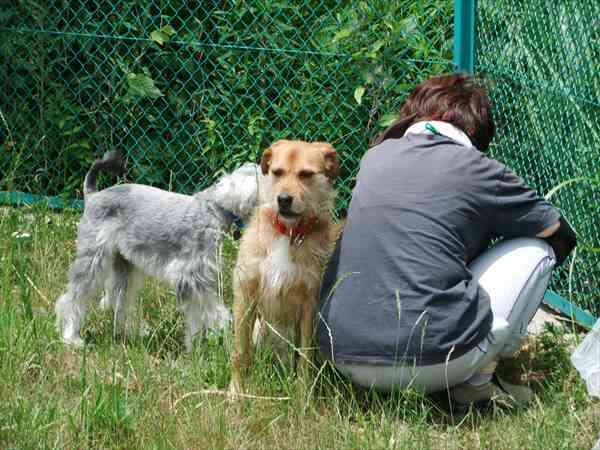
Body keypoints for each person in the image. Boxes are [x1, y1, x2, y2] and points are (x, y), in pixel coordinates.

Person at [316, 73, 577, 409]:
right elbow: (559, 233)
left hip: (340, 354)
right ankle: (475, 384)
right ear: (475, 129)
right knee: (538, 249)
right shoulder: (478, 166)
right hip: (434, 362)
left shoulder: (375, 156)